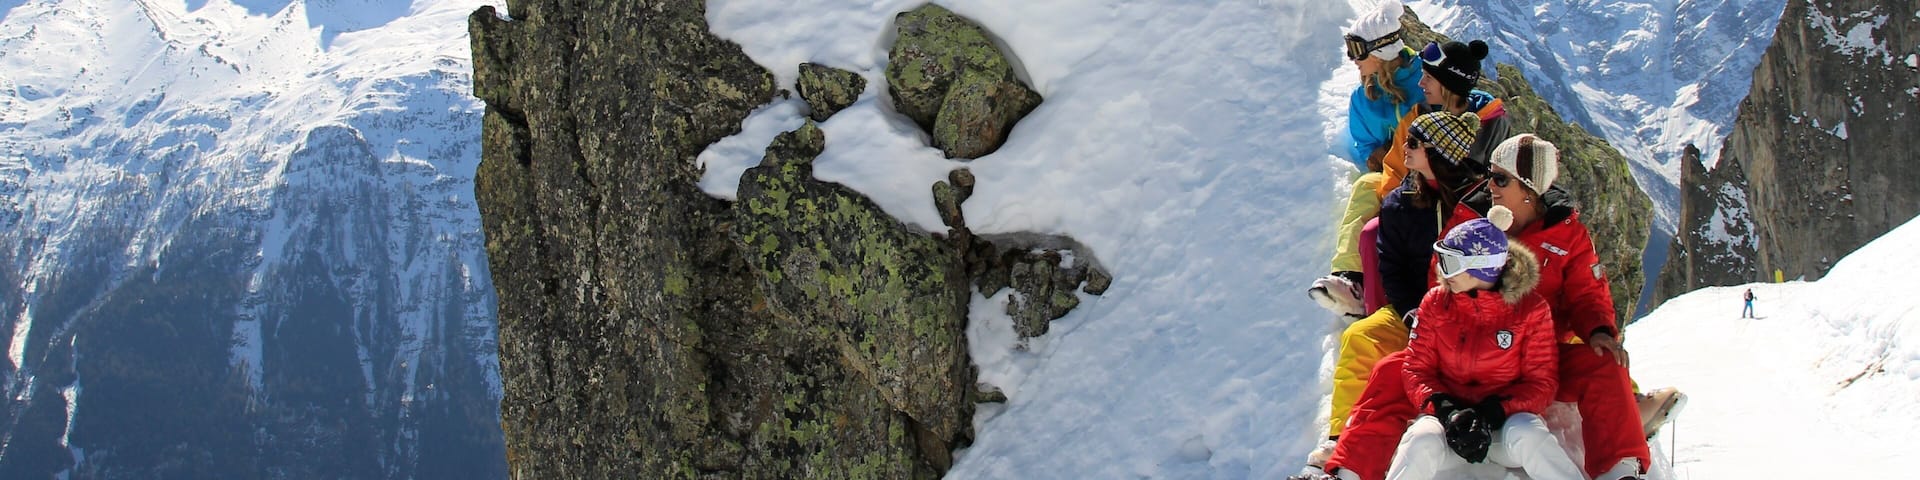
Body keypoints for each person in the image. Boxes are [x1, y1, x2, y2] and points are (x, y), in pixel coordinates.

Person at [1320, 134, 1664, 480]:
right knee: (1392, 371)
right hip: (1463, 353)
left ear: (1530, 189)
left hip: (1535, 355)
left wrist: (1600, 330)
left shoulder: (1566, 233)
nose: (1490, 185)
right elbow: (1442, 277)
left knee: (1604, 364)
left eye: (1501, 178)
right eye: (1490, 174)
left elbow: (1588, 294)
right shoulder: (1471, 216)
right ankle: (1348, 468)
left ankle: (1619, 469)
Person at [1304, 109, 1487, 475]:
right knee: (1360, 337)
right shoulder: (1400, 203)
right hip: (1416, 311)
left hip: (1471, 315)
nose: (1405, 147)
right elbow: (1392, 270)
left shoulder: (1481, 204)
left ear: (1440, 153)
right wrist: (1408, 312)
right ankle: (1342, 435)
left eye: (1415, 143)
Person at [1385, 216, 1584, 480]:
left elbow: (1542, 381)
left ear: (1482, 267)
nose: (1443, 270)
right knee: (1420, 441)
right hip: (1449, 427)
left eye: (1451, 262)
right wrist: (1447, 410)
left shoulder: (1531, 309)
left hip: (1503, 426)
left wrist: (1492, 413)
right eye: (1442, 259)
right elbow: (1415, 368)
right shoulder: (1435, 303)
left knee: (1531, 435)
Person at [1309, 0, 1426, 320]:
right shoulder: (1363, 98)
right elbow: (1363, 143)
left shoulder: (1425, 81)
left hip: (1433, 175)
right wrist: (1374, 156)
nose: (1354, 61)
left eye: (1359, 53)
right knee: (1365, 190)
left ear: (1381, 52)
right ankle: (1350, 277)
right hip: (1394, 174)